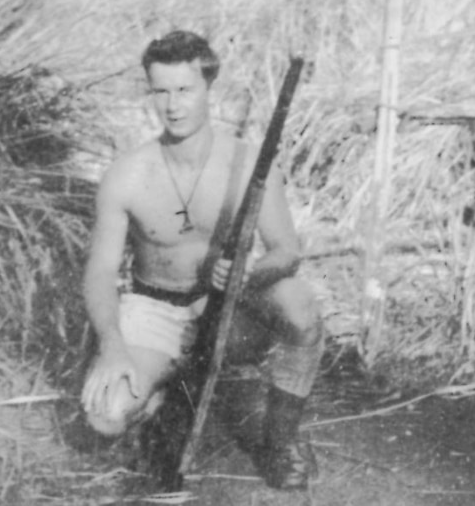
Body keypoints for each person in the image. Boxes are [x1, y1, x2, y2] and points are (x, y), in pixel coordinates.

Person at [79, 30, 324, 490]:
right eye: (161, 91)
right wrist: (111, 345)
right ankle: (161, 390)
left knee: (301, 307)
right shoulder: (127, 175)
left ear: (210, 88)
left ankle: (279, 441)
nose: (173, 105)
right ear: (150, 92)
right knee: (105, 417)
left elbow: (287, 251)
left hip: (230, 313)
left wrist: (250, 273)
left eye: (185, 90)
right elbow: (101, 272)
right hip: (156, 311)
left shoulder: (248, 162)